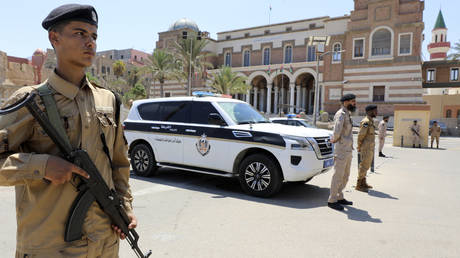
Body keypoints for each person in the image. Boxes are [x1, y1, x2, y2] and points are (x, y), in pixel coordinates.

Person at [0, 4, 135, 257]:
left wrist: (125, 207)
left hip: (104, 245)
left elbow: (119, 164)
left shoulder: (109, 101)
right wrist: (41, 165)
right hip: (52, 248)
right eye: (80, 33)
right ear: (54, 38)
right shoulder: (30, 101)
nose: (90, 43)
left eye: (93, 36)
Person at [327, 93, 356, 211]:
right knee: (338, 175)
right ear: (345, 102)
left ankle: (339, 196)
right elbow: (337, 131)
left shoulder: (347, 114)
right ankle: (332, 200)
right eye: (352, 101)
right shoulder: (341, 114)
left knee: (345, 176)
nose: (354, 103)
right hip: (342, 150)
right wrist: (334, 140)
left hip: (348, 149)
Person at [356, 105, 377, 192]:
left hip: (370, 147)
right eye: (375, 111)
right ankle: (359, 184)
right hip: (366, 148)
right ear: (369, 111)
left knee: (367, 165)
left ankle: (363, 182)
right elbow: (361, 135)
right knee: (364, 166)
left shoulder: (371, 121)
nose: (376, 112)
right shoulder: (366, 122)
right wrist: (359, 146)